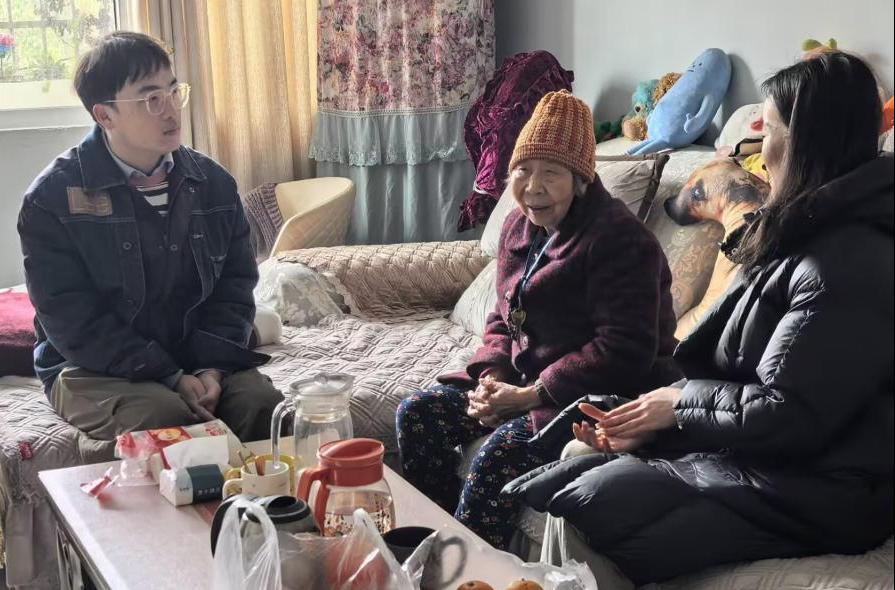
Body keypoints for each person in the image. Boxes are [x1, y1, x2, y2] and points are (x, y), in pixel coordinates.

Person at [504, 52, 894, 587]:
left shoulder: (850, 263)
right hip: (762, 455)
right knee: (577, 453)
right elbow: (741, 375)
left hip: (821, 486)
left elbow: (790, 414)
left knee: (584, 507)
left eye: (768, 130)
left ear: (806, 141)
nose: (757, 149)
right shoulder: (800, 229)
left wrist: (676, 408)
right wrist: (657, 423)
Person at [396, 90, 681, 549]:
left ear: (581, 180)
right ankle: (436, 542)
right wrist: (492, 380)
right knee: (418, 413)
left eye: (552, 173)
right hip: (522, 384)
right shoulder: (518, 225)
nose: (534, 187)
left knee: (496, 459)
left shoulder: (619, 240)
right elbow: (502, 315)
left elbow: (625, 349)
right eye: (523, 170)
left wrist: (531, 395)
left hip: (595, 396)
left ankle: (475, 569)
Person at [17, 32, 282, 455]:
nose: (171, 109)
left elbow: (234, 290)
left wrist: (211, 369)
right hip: (92, 367)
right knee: (166, 423)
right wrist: (170, 377)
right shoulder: (52, 199)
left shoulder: (213, 184)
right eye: (150, 98)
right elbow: (72, 319)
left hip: (199, 354)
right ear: (105, 115)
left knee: (264, 408)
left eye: (174, 91)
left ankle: (262, 502)